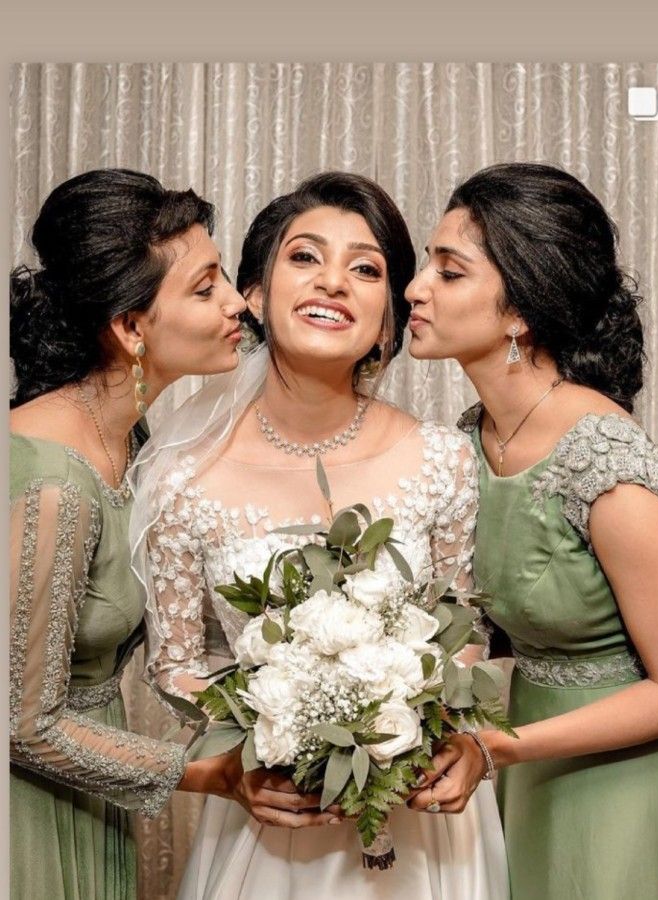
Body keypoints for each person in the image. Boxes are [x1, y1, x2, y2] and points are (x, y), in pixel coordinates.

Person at [131, 171, 510, 899]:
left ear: (390, 318)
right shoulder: (182, 476)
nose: (333, 282)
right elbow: (174, 664)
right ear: (252, 291)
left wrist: (420, 717)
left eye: (365, 269)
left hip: (425, 818)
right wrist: (271, 724)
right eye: (305, 257)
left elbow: (468, 633)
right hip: (271, 817)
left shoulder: (445, 458)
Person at [405, 162, 658, 900]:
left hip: (626, 785)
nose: (415, 288)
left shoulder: (603, 458)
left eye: (449, 271)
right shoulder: (470, 440)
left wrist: (496, 747)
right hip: (523, 769)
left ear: (518, 311)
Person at [9, 168, 283, 900]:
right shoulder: (51, 478)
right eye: (205, 288)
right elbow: (23, 725)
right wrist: (209, 775)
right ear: (131, 327)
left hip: (85, 794)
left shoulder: (129, 440)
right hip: (28, 819)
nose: (236, 303)